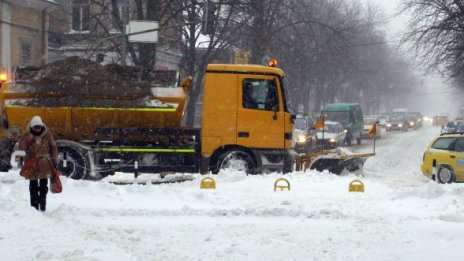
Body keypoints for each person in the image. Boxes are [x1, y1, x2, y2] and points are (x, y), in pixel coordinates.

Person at [18, 116, 59, 211]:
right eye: (35, 127)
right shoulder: (27, 135)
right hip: (31, 164)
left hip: (45, 164)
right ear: (32, 127)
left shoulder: (47, 135)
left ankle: (43, 205)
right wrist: (29, 139)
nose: (37, 129)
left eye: (39, 127)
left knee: (43, 187)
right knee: (33, 187)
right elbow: (21, 147)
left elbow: (53, 148)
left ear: (42, 127)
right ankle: (34, 208)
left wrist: (55, 162)